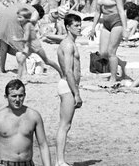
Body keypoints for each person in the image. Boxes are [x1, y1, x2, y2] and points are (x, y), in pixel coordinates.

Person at [0, 79, 52, 166]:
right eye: (13, 96)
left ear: (25, 95)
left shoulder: (34, 116)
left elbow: (43, 145)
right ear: (6, 97)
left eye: (20, 96)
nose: (17, 99)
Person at [90, 0, 128, 83]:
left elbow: (121, 10)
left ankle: (113, 78)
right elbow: (97, 12)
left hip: (116, 22)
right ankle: (120, 63)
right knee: (103, 53)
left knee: (111, 52)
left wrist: (125, 29)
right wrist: (93, 28)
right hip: (106, 22)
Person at [56, 13, 83, 166]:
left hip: (69, 86)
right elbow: (68, 71)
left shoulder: (71, 43)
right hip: (68, 86)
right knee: (64, 125)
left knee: (66, 124)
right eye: (76, 26)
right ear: (68, 27)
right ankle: (60, 161)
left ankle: (60, 160)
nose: (80, 28)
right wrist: (77, 93)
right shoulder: (67, 44)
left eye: (80, 25)